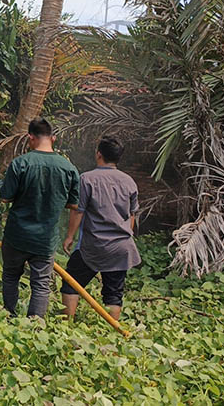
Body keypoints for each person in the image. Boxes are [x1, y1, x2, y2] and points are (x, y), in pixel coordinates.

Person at [0, 117, 80, 317]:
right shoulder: (68, 169)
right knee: (41, 285)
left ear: (30, 138)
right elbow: (73, 204)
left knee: (10, 276)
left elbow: (5, 198)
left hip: (17, 236)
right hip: (45, 239)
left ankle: (9, 316)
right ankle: (35, 328)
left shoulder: (20, 164)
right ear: (53, 138)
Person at [61, 136, 141, 321]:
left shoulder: (87, 179)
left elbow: (78, 211)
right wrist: (126, 235)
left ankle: (65, 326)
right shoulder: (129, 181)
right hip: (121, 248)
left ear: (99, 154)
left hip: (94, 245)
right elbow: (132, 215)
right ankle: (110, 330)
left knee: (71, 283)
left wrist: (69, 236)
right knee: (114, 293)